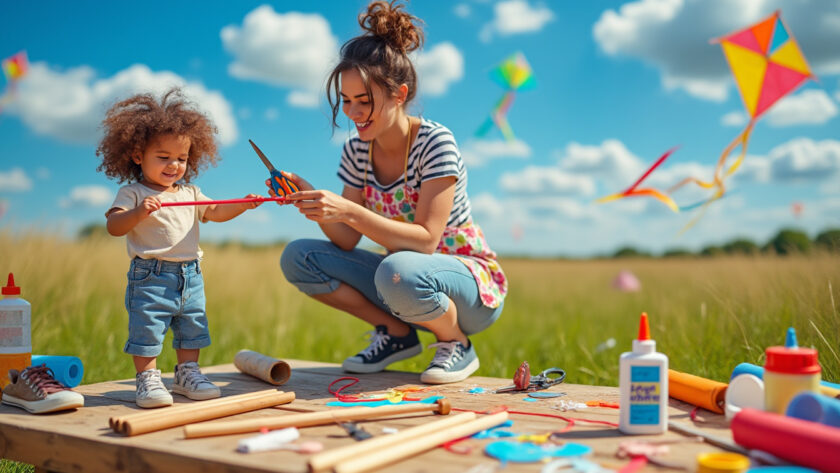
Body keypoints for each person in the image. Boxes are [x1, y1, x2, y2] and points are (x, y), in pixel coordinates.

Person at [273, 0, 507, 384]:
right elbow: (347, 240)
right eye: (346, 101)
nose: (352, 112)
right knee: (299, 256)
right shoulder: (356, 151)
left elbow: (428, 241)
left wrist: (347, 211)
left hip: (469, 287)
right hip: (401, 280)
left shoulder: (435, 142)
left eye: (364, 101)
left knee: (397, 269)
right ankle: (396, 334)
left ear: (399, 94)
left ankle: (457, 342)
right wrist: (314, 201)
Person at [98, 89, 262, 408]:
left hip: (191, 274)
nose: (174, 165)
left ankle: (187, 373)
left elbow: (215, 212)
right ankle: (147, 378)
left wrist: (243, 205)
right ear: (136, 155)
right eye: (163, 157)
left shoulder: (191, 192)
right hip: (151, 276)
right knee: (147, 328)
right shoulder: (133, 193)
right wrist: (139, 212)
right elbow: (114, 227)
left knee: (192, 327)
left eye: (182, 158)